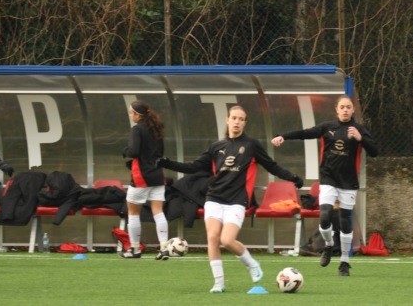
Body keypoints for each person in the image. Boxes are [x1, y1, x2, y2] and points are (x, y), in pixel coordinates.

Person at [159, 104, 303, 294]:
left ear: (245, 123)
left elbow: (272, 166)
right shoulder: (216, 146)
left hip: (236, 200)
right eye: (234, 118)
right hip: (214, 198)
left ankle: (251, 264)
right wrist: (167, 163)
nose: (237, 122)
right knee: (212, 238)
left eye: (241, 119)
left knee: (227, 240)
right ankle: (219, 283)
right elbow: (194, 167)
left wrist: (293, 178)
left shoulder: (251, 145)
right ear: (227, 120)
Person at [271, 94, 379, 277]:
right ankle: (328, 245)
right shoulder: (327, 127)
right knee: (325, 215)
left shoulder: (358, 129)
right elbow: (305, 133)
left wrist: (361, 138)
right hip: (329, 179)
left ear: (353, 110)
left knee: (345, 221)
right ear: (336, 109)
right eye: (342, 107)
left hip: (348, 182)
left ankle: (344, 261)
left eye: (348, 107)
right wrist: (283, 136)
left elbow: (375, 152)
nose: (345, 110)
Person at [121, 100, 169, 260]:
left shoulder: (137, 129)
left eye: (131, 113)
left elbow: (134, 151)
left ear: (137, 115)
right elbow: (160, 152)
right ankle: (164, 247)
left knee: (133, 213)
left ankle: (135, 249)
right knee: (158, 212)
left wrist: (125, 151)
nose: (130, 115)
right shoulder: (156, 128)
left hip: (141, 176)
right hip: (157, 175)